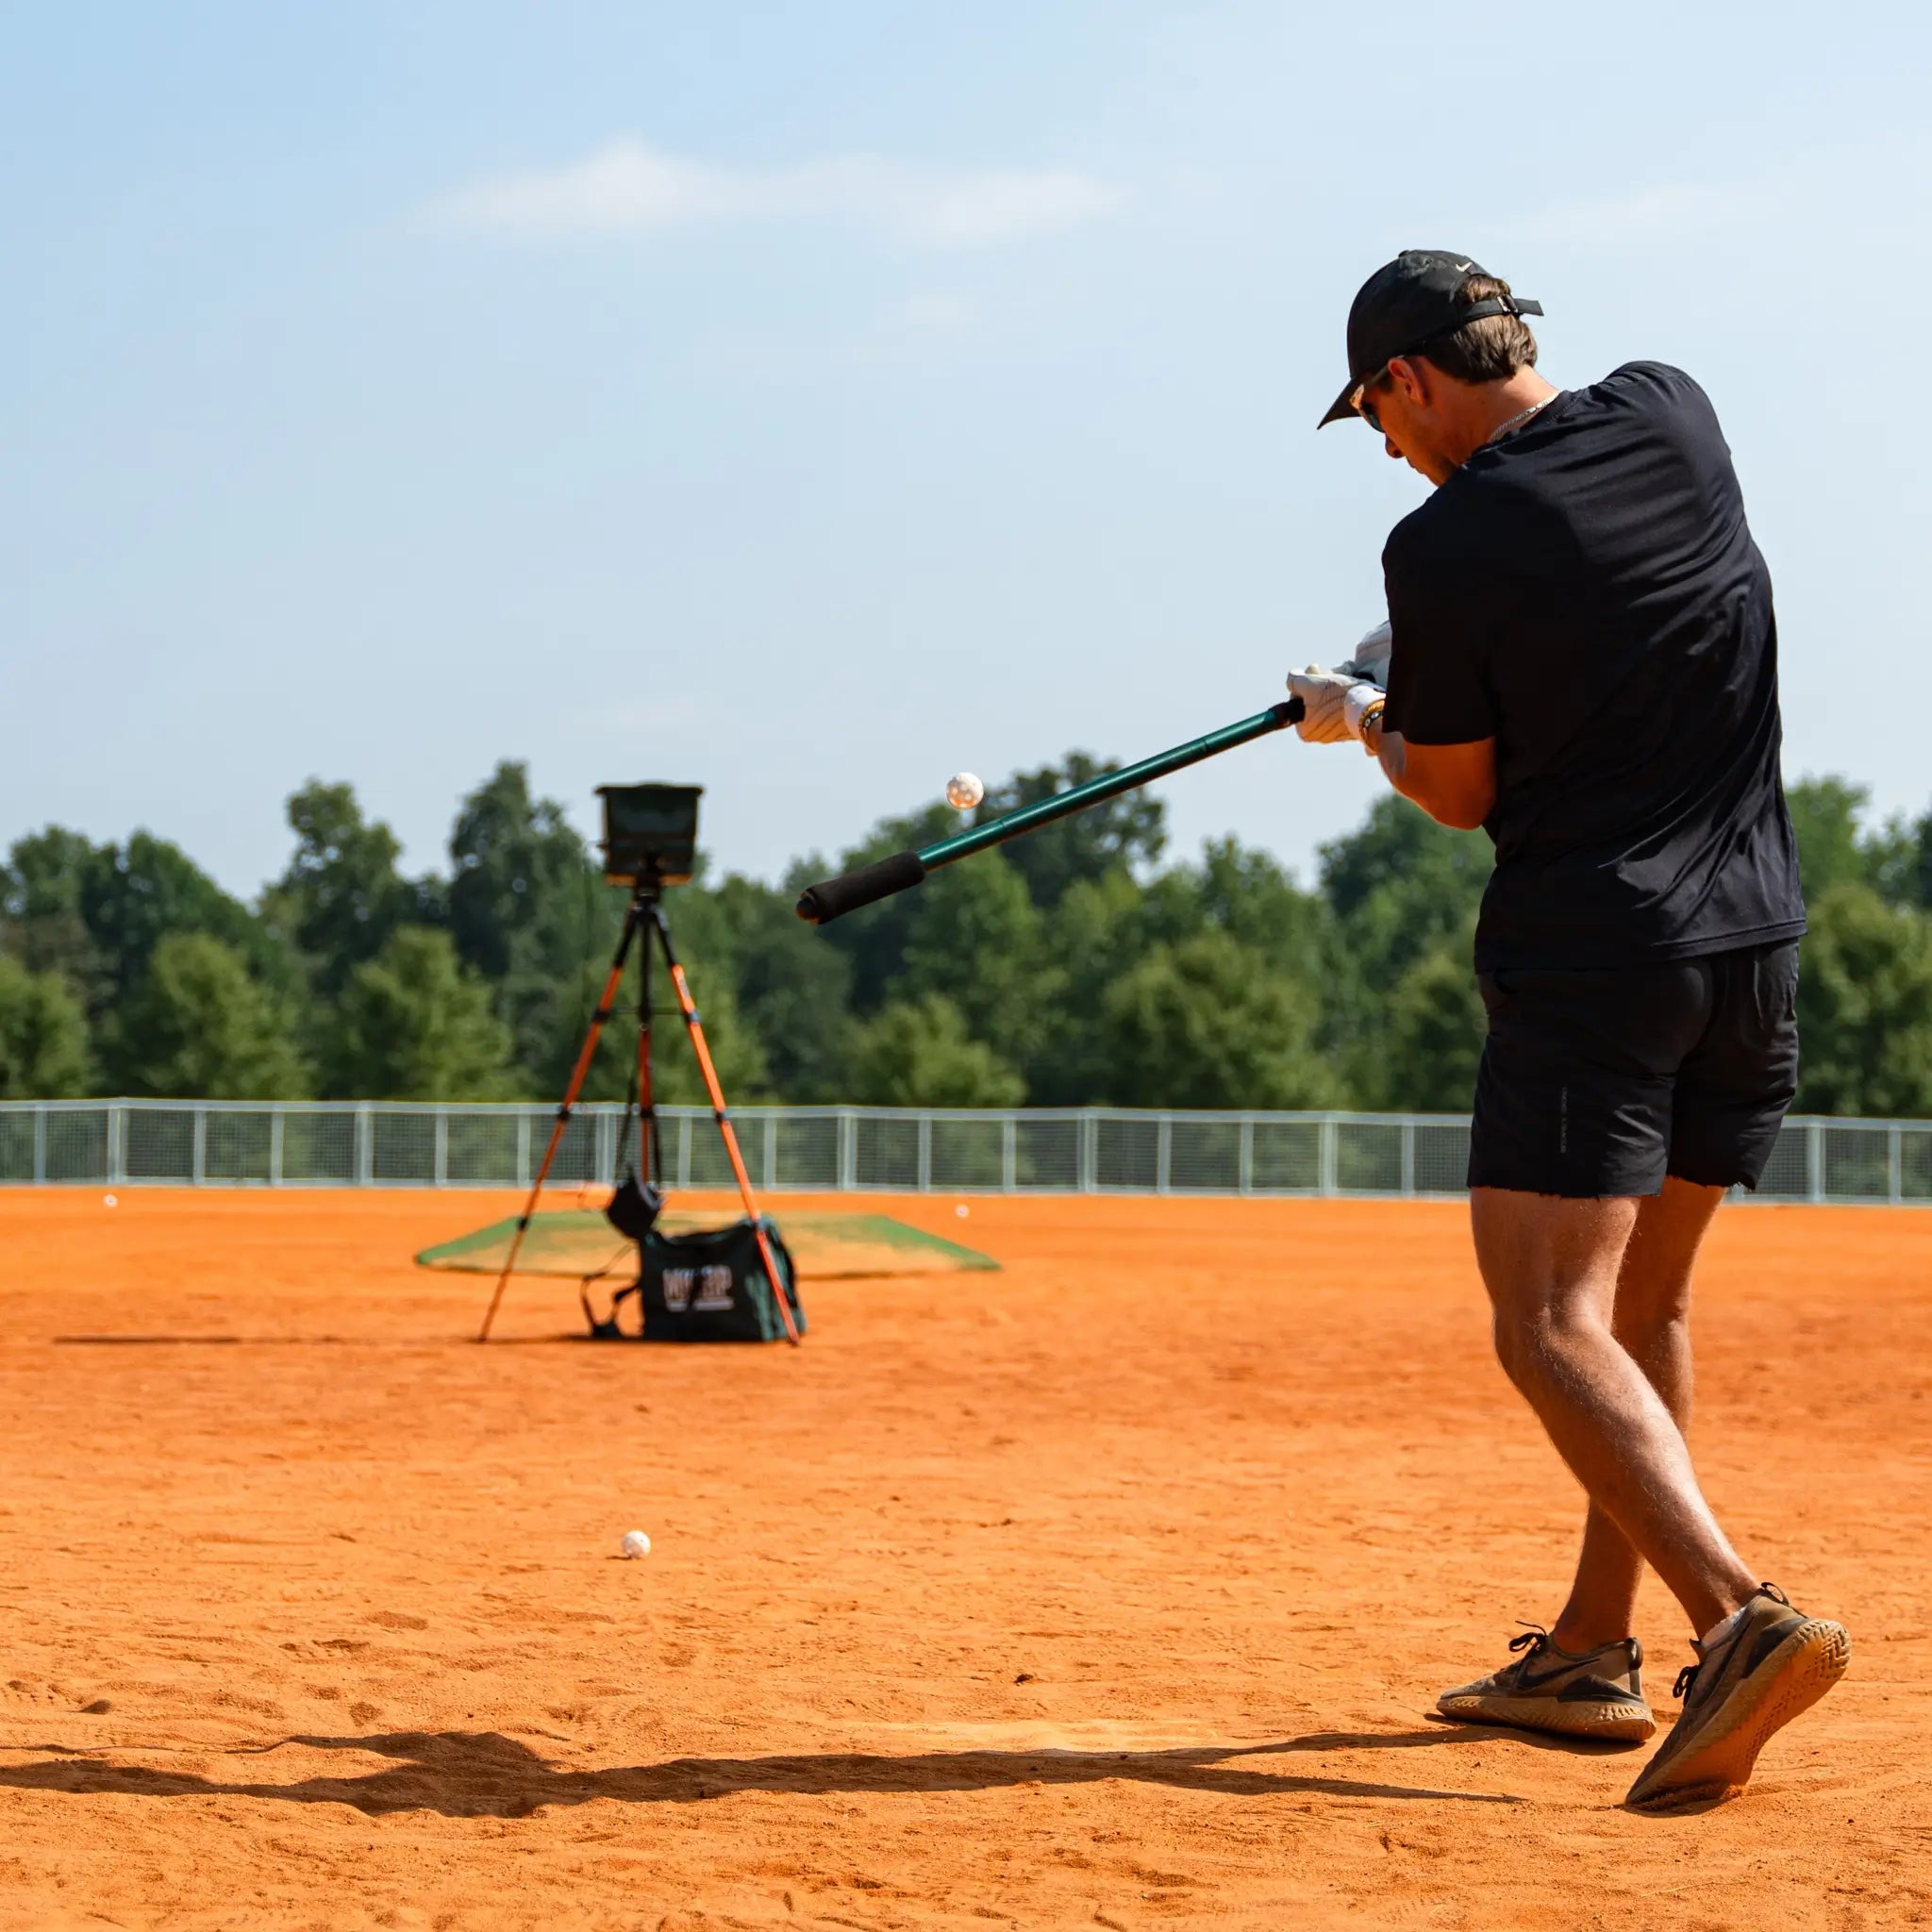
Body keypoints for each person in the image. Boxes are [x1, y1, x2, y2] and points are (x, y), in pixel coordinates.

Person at [1291, 251, 1848, 1812]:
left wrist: (1365, 716)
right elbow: (1605, 617)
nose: (1388, 451)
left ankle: (1735, 1620)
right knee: (1640, 1310)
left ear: (1408, 379)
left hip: (1597, 958)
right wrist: (1433, 651)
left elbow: (1459, 791)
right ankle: (1591, 1654)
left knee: (1546, 1320)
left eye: (1377, 419)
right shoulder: (1678, 413)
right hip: (1754, 945)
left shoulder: (1446, 540)